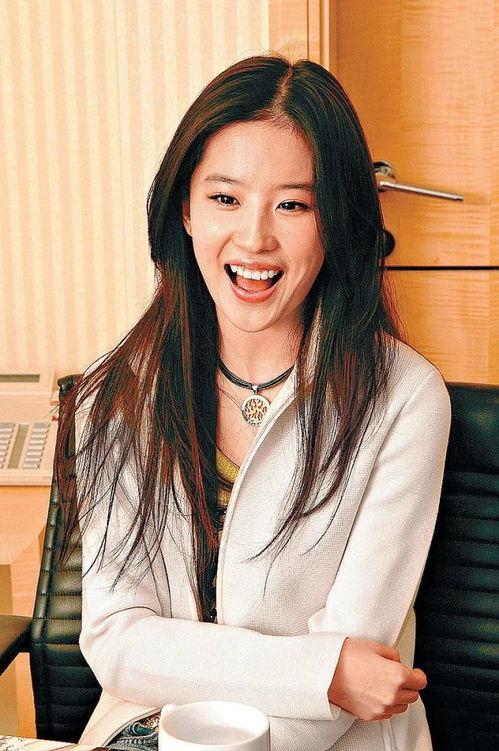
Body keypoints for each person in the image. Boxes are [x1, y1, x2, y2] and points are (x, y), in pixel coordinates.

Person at [56, 52, 452, 751]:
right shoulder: (116, 394)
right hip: (148, 732)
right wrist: (321, 671)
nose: (254, 238)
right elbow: (116, 639)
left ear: (337, 222)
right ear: (184, 208)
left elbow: (352, 683)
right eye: (225, 198)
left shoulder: (404, 399)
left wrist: (329, 678)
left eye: (293, 204)